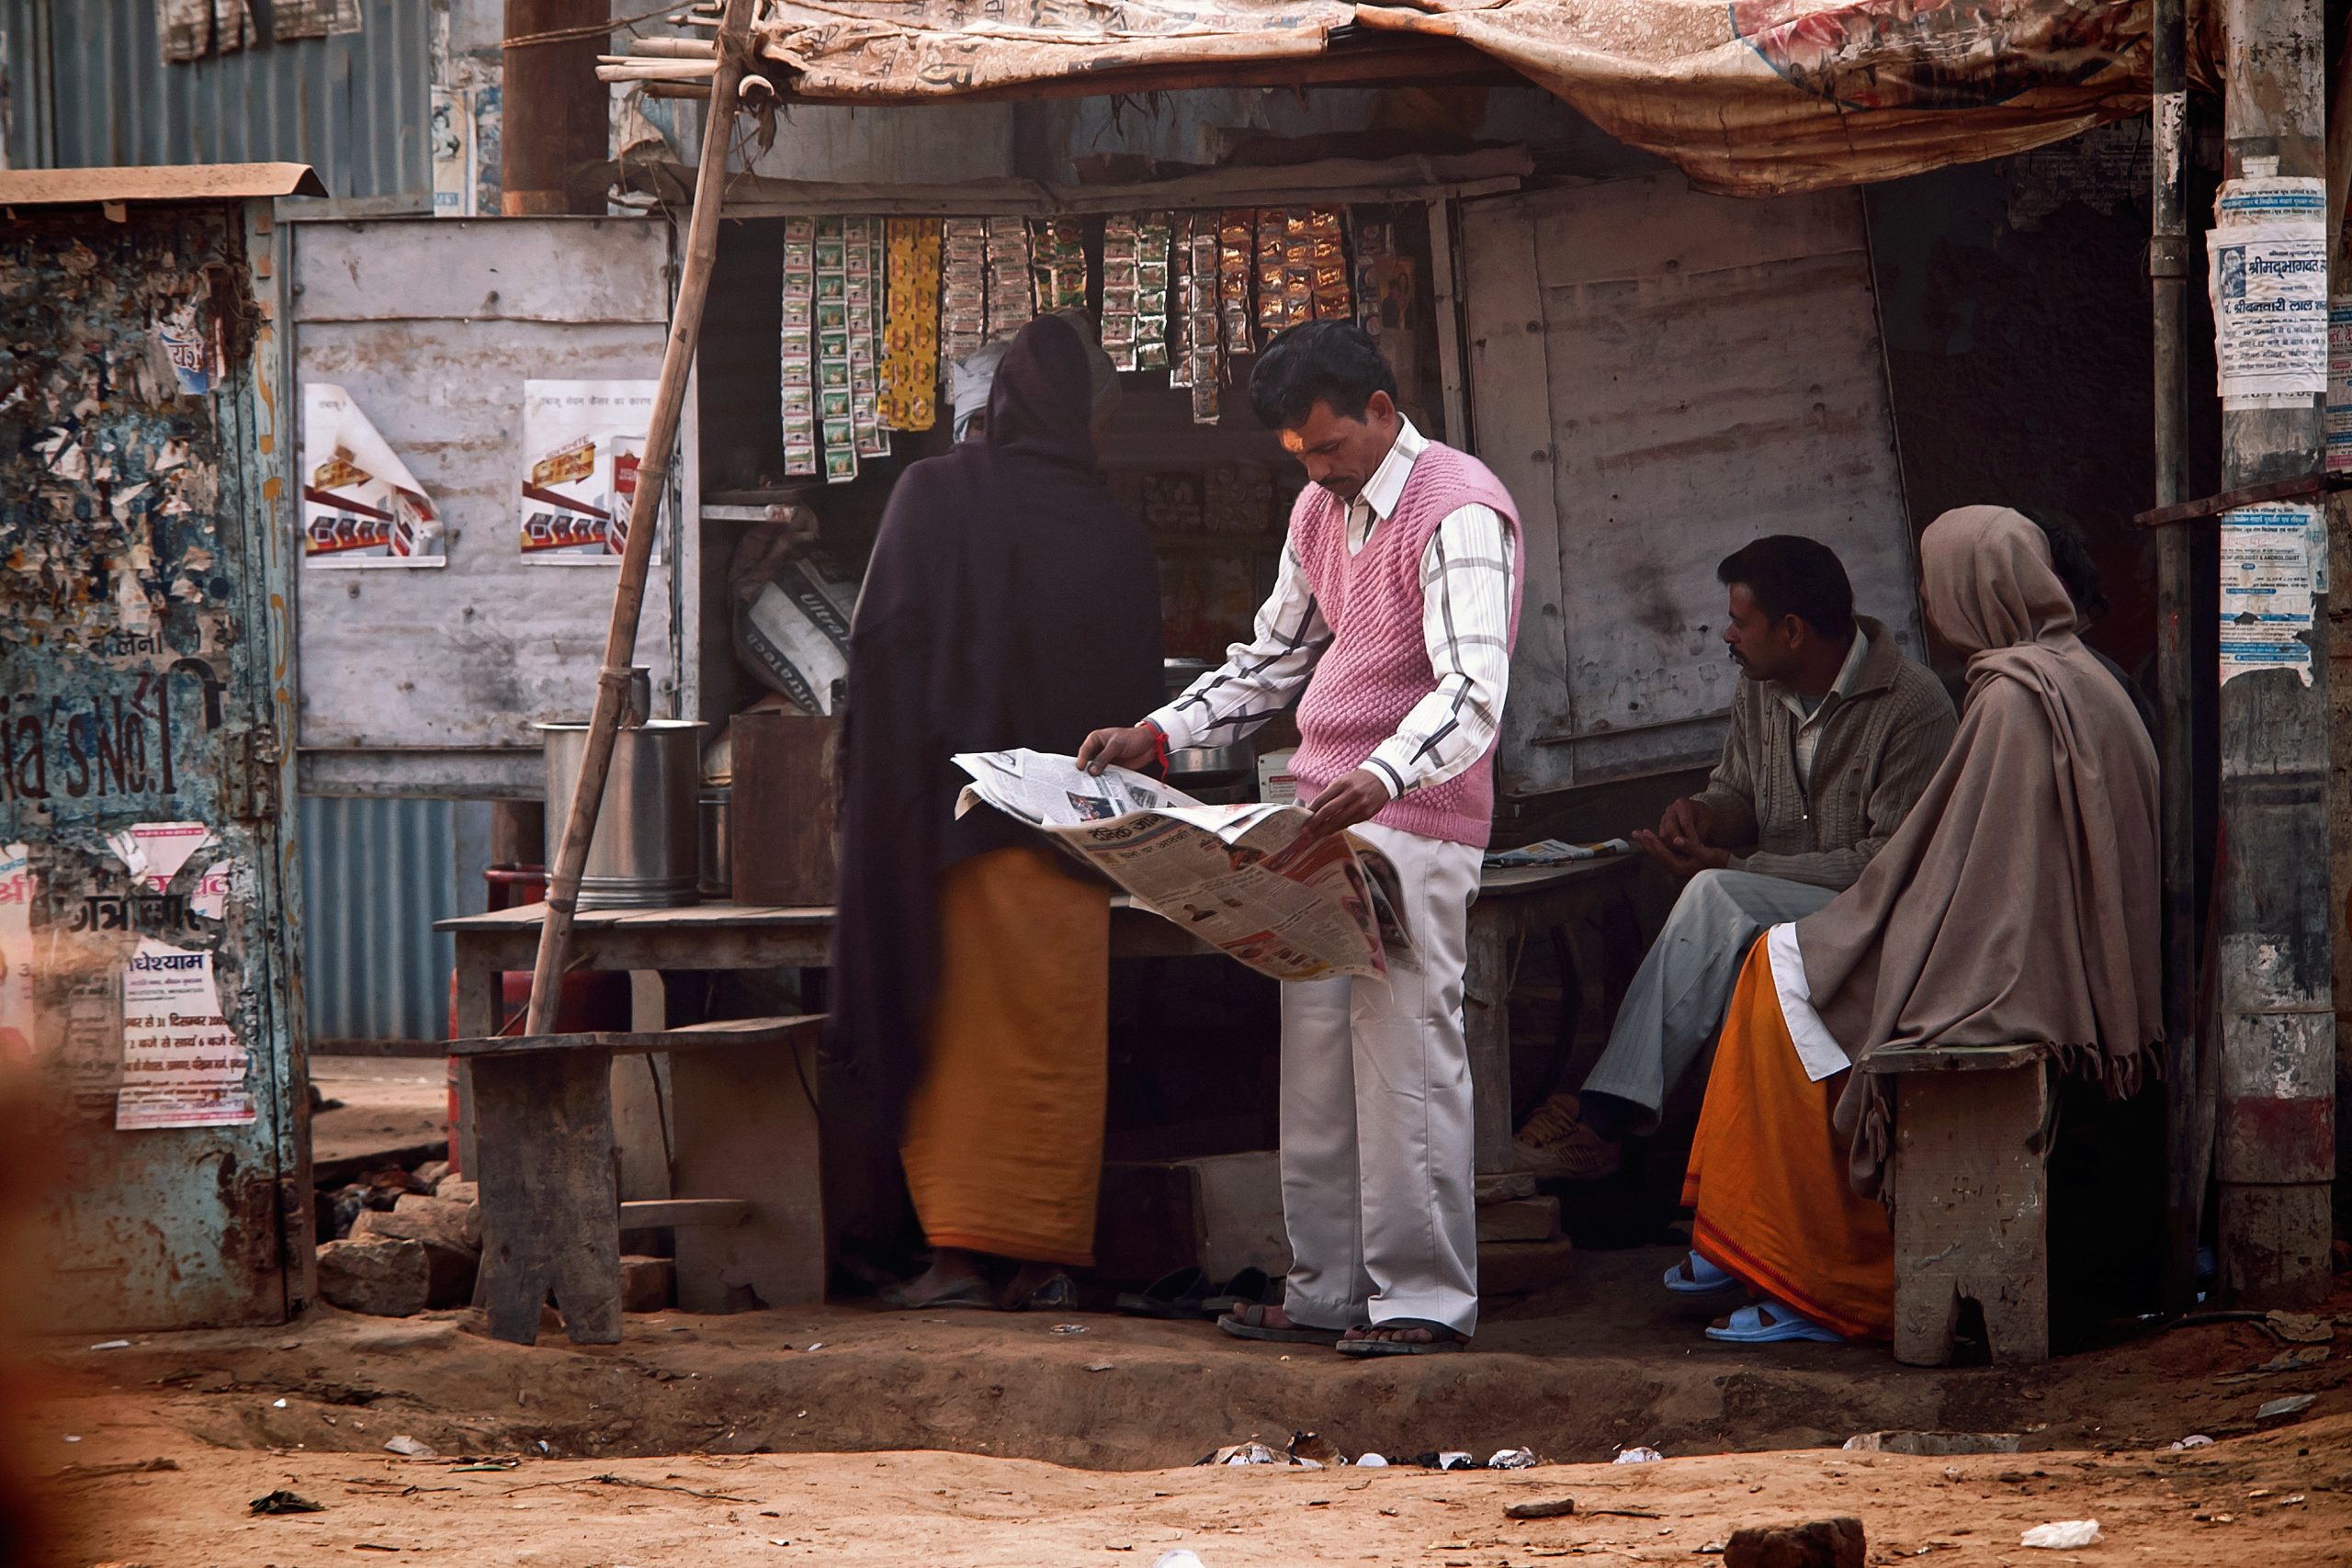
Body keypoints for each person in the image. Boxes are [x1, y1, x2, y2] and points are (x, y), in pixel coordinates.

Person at [1080, 321, 1521, 1356]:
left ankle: (1422, 1302)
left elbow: (1472, 690)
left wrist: (1382, 773)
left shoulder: (1457, 506)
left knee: (1407, 1057)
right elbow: (1272, 658)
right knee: (1316, 1064)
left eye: (1327, 447)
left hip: (1409, 821)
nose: (1317, 470)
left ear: (1381, 408)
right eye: (1299, 455)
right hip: (1322, 815)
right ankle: (1327, 1292)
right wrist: (1160, 732)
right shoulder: (1320, 509)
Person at [1676, 505, 2160, 1342]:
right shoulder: (2072, 675)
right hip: (2040, 946)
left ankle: (1818, 1277)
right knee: (1787, 963)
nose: (1929, 608)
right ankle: (1750, 1236)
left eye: (1937, 588)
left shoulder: (2010, 701)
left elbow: (1951, 868)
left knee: (1784, 979)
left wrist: (1871, 923)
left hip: (2009, 967)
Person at [829, 311, 1163, 1311]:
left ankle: (960, 1259)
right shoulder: (1112, 529)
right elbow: (1134, 690)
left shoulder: (933, 493)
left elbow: (880, 649)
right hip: (1072, 841)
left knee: (958, 1038)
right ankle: (1043, 1258)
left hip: (947, 830)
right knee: (1053, 1046)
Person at [1514, 537, 1957, 1183]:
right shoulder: (1763, 688)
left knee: (1719, 895)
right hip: (1781, 908)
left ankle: (1600, 1117)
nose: (1726, 634)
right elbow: (1739, 792)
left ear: (1793, 630)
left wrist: (1739, 868)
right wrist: (1703, 812)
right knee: (1720, 906)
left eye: (1740, 621)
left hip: (1875, 918)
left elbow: (1885, 867)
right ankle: (1659, 1158)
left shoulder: (1912, 708)